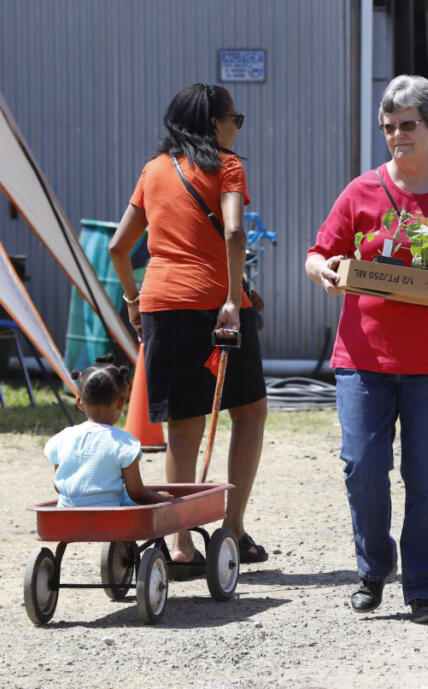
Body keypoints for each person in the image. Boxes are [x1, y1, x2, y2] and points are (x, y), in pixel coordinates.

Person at [306, 75, 428, 624]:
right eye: (389, 127)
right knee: (362, 468)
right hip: (363, 359)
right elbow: (318, 253)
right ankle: (374, 566)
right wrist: (326, 271)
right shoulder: (361, 191)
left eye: (408, 125)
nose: (396, 135)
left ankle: (425, 590)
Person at [109, 82, 269, 576]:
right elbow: (236, 230)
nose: (236, 128)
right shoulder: (228, 166)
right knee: (250, 411)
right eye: (234, 119)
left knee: (181, 427)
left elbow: (118, 246)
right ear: (214, 123)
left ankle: (180, 545)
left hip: (161, 303)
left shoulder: (153, 171)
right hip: (216, 306)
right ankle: (234, 529)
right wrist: (229, 299)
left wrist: (134, 302)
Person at [46, 363, 171, 508]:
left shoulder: (63, 438)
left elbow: (58, 485)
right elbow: (137, 493)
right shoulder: (124, 443)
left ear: (79, 402)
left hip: (65, 516)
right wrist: (163, 499)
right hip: (108, 519)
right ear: (121, 402)